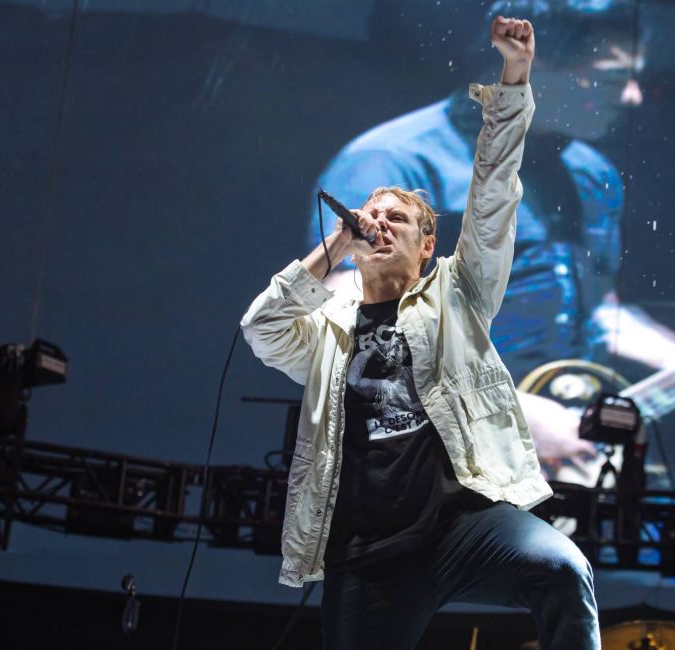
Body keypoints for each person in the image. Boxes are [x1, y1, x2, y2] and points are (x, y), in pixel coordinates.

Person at [242, 16, 599, 650]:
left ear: (427, 244)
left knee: (563, 568)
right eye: (370, 215)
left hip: (463, 527)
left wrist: (514, 76)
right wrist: (336, 244)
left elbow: (492, 195)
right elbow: (262, 327)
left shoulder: (457, 294)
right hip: (368, 548)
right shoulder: (328, 329)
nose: (378, 222)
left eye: (397, 218)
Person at [307, 0, 675, 469]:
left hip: (551, 454)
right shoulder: (394, 160)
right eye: (610, 77)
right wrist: (509, 411)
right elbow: (348, 319)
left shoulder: (591, 172)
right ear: (532, 63)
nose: (632, 96)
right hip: (422, 459)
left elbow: (598, 311)